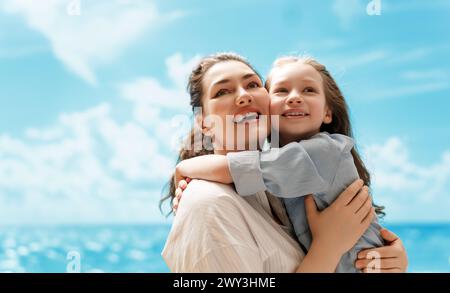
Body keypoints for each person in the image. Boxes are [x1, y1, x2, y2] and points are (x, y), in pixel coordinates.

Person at [162, 52, 408, 272]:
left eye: (252, 84)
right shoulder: (210, 203)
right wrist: (328, 247)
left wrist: (391, 262)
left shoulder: (275, 190)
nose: (244, 96)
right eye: (222, 91)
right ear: (203, 122)